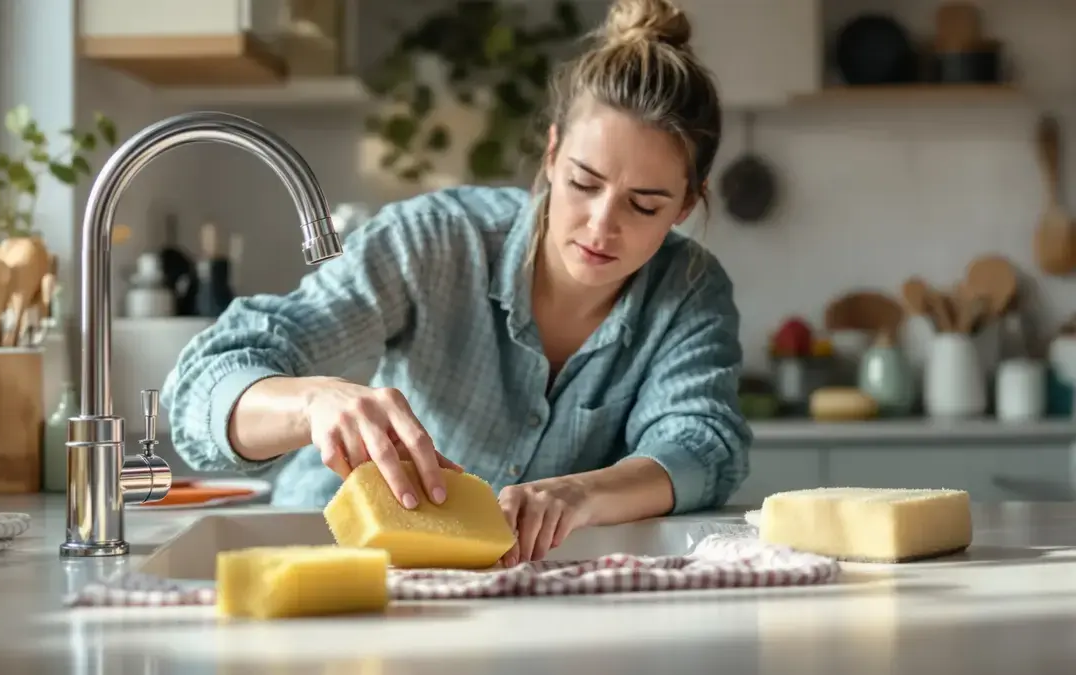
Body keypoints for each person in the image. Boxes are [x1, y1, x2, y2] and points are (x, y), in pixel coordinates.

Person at [160, 0, 751, 567]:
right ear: (551, 154)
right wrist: (314, 402)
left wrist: (580, 494)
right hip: (326, 552)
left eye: (644, 205)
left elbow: (703, 446)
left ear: (684, 207)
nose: (601, 225)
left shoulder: (690, 291)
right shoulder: (436, 240)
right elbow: (202, 390)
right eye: (583, 183)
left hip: (518, 590)